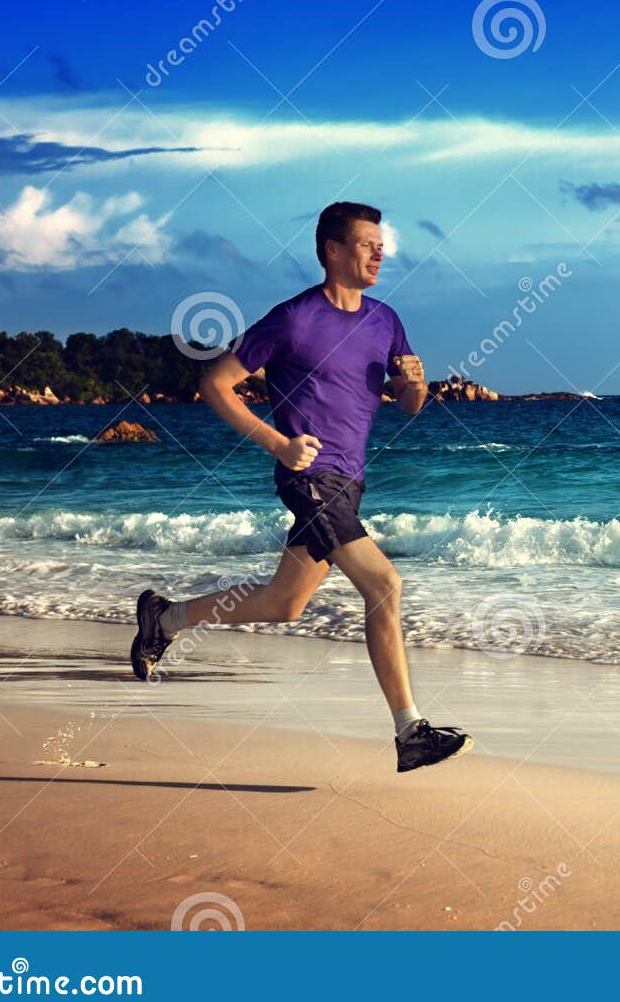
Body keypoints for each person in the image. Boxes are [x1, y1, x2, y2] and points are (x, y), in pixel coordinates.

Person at [129, 201, 472, 773]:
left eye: (380, 244)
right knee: (384, 585)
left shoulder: (385, 320)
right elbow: (215, 384)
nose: (379, 252)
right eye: (367, 243)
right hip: (309, 479)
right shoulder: (292, 319)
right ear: (332, 251)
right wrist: (278, 445)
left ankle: (162, 618)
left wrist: (416, 385)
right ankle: (409, 730)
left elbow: (410, 404)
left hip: (350, 482)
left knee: (284, 603)